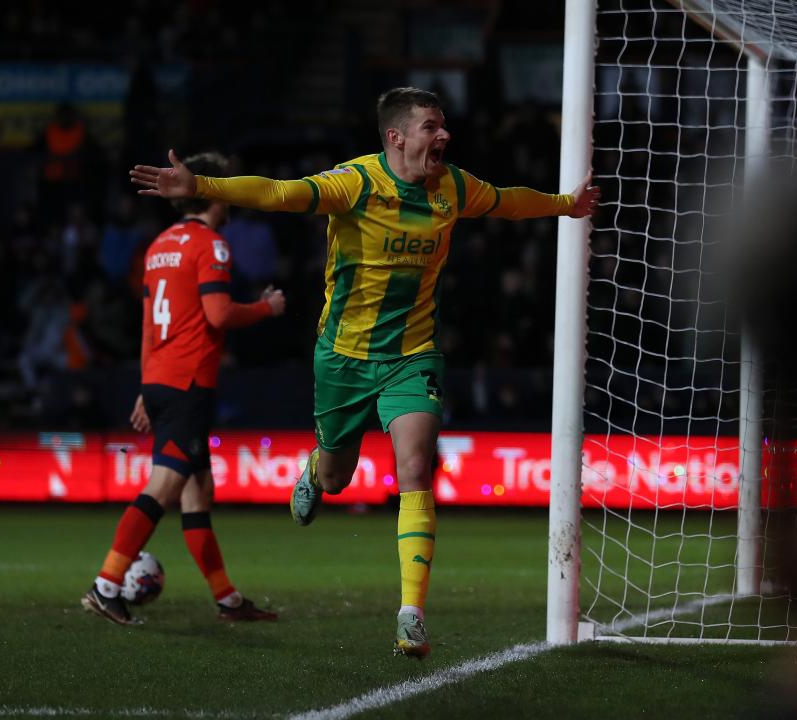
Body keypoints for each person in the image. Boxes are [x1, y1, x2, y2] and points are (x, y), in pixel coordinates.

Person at [130, 87, 601, 656]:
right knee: (336, 478)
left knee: (415, 466)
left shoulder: (453, 186)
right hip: (344, 358)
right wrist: (202, 186)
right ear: (397, 137)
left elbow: (505, 200)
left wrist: (562, 203)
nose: (444, 135)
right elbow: (279, 193)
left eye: (444, 124)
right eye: (432, 126)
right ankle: (316, 468)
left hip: (413, 352)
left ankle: (411, 613)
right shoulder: (356, 183)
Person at [82, 152, 286, 626]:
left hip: (160, 377)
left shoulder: (158, 246)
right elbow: (217, 315)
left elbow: (149, 327)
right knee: (165, 487)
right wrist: (264, 309)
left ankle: (228, 600)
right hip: (190, 382)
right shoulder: (211, 246)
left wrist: (145, 385)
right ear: (211, 189)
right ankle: (106, 584)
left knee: (198, 493)